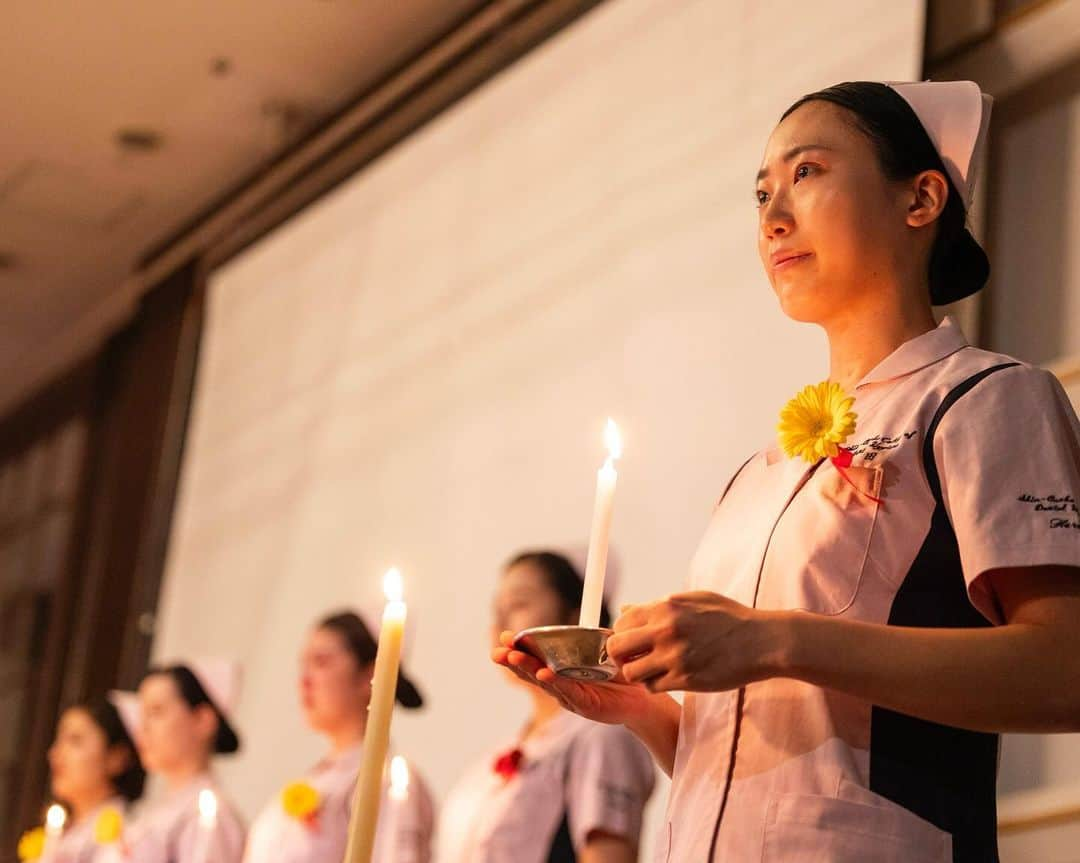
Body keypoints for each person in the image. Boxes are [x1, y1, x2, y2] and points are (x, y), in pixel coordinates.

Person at [496, 81, 1080, 862]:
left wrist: (773, 640)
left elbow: (1063, 668)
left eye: (806, 173)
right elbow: (778, 768)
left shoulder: (985, 398)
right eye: (761, 192)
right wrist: (644, 711)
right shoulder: (760, 473)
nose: (773, 216)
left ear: (922, 198)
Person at [446, 550, 655, 863]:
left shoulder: (602, 736)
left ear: (574, 617)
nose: (500, 624)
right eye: (496, 610)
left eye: (518, 604)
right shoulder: (498, 755)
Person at [242, 611, 434, 863]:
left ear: (369, 676)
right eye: (304, 665)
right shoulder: (314, 780)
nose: (305, 681)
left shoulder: (390, 781)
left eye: (321, 662)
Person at [124, 659, 247, 862]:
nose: (142, 728)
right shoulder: (155, 813)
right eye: (142, 715)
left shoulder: (209, 818)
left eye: (156, 712)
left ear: (203, 720)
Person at [16, 698, 145, 862]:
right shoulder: (58, 837)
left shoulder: (129, 835)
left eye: (75, 741)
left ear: (116, 757)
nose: (56, 754)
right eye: (59, 740)